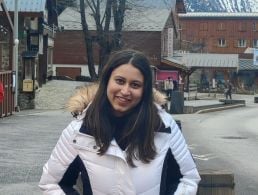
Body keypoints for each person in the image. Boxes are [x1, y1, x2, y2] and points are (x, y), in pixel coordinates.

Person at [39, 49, 200, 194]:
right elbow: (52, 183)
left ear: (145, 90)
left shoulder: (164, 127)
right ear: (107, 81)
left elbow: (186, 178)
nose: (125, 91)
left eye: (135, 85)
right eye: (120, 81)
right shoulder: (79, 131)